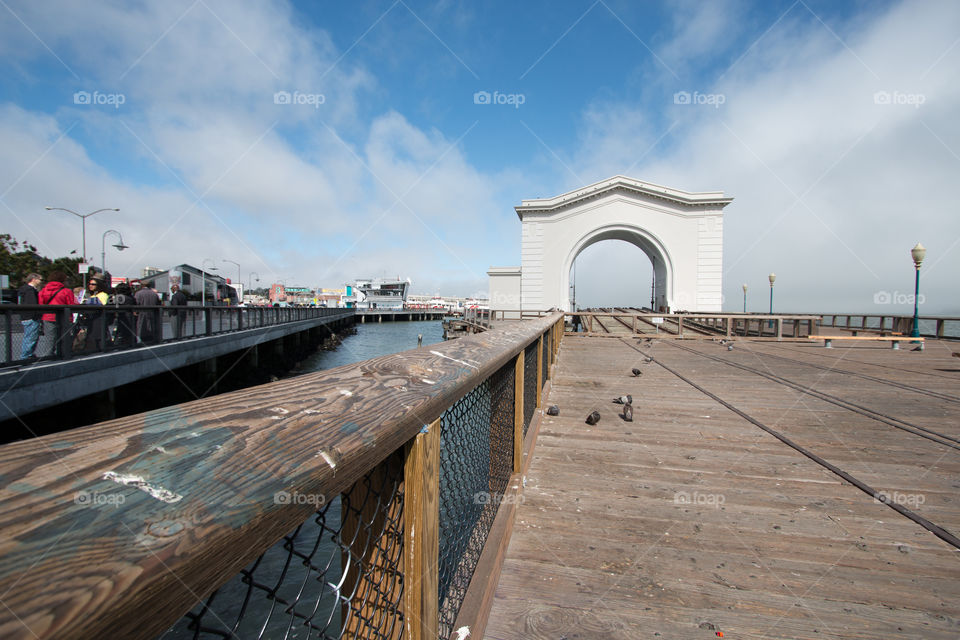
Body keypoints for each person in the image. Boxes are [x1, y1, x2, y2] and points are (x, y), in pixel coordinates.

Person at [37, 271, 77, 357]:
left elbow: (41, 304)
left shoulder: (43, 290)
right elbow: (71, 304)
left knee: (50, 339)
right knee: (64, 337)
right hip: (64, 317)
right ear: (62, 280)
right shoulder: (66, 291)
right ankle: (64, 355)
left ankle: (48, 357)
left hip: (48, 317)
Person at [16, 273, 43, 359]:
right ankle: (26, 356)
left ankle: (28, 354)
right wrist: (36, 315)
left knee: (29, 336)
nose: (41, 281)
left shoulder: (23, 289)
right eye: (40, 279)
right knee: (31, 337)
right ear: (33, 279)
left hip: (25, 316)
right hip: (31, 317)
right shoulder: (30, 290)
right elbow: (32, 304)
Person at [108, 282, 136, 348]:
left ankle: (118, 345)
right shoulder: (131, 298)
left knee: (120, 333)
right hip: (131, 318)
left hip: (122, 318)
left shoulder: (119, 298)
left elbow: (111, 305)